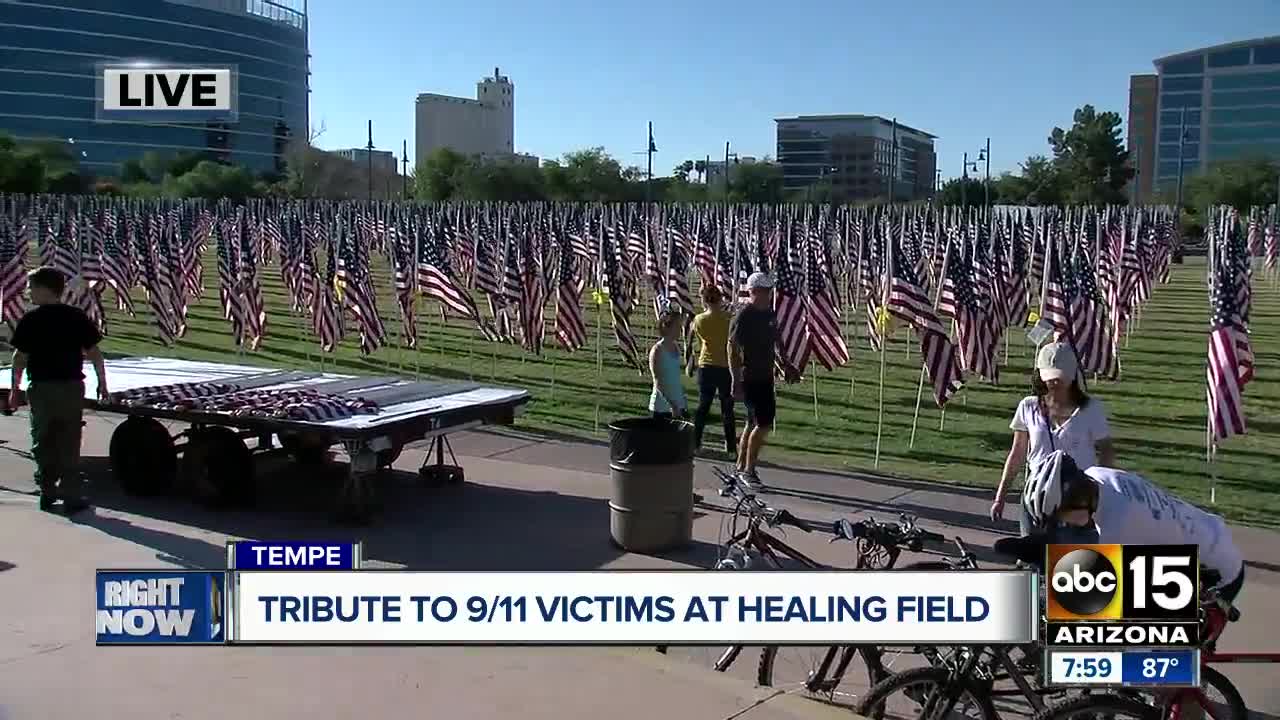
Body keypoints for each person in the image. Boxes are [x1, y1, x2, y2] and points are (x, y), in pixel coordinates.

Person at [1012, 450, 1245, 606]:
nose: (1063, 523)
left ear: (1078, 501)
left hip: (1217, 573)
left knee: (1139, 645)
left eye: (1061, 516)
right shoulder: (1096, 476)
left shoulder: (1119, 525)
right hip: (1207, 533)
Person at [7, 267, 109, 515]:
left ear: (44, 289)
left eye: (31, 288)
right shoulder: (75, 317)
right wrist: (101, 382)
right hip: (68, 388)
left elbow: (19, 358)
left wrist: (14, 389)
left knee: (44, 440)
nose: (28, 292)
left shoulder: (32, 320)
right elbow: (95, 353)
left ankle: (51, 490)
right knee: (68, 441)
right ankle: (63, 493)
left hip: (44, 389)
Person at [992, 341, 1115, 533]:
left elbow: (1106, 451)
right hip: (1036, 495)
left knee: (1071, 558)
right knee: (1033, 556)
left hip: (1077, 498)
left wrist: (1104, 494)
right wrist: (1001, 497)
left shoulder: (1091, 409)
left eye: (1060, 378)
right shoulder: (1028, 407)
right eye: (1050, 378)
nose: (1055, 383)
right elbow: (1017, 454)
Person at [729, 272, 792, 490]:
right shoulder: (744, 316)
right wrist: (735, 380)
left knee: (752, 423)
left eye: (769, 290)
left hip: (766, 376)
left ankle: (740, 466)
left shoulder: (769, 314)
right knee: (763, 424)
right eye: (763, 291)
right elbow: (733, 349)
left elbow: (777, 340)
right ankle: (749, 470)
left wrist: (785, 363)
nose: (768, 295)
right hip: (750, 377)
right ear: (752, 291)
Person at [687, 285, 737, 455]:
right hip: (725, 367)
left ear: (705, 300)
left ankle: (695, 444)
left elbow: (693, 339)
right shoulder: (729, 319)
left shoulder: (699, 320)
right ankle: (731, 448)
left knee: (703, 407)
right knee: (727, 409)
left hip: (706, 365)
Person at [648, 308, 687, 421]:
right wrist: (672, 405)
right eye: (677, 326)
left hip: (678, 405)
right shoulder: (657, 350)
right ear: (667, 327)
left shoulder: (676, 347)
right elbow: (657, 380)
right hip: (661, 407)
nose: (680, 329)